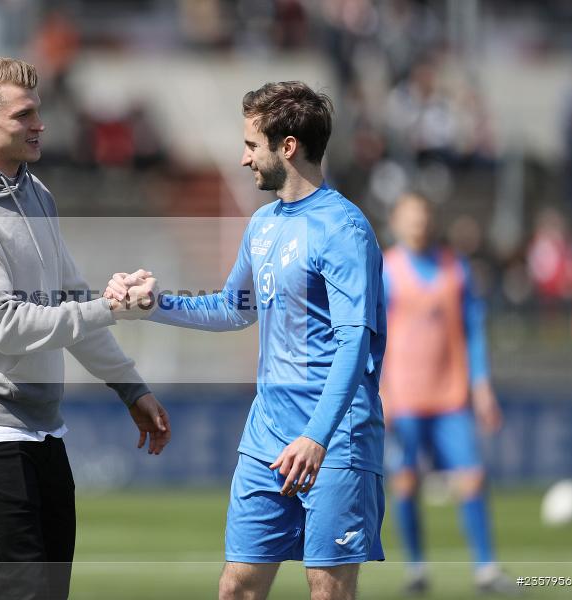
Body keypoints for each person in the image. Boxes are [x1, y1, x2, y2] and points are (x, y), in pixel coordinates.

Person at [107, 81, 385, 600]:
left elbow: (354, 343)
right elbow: (233, 309)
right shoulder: (261, 225)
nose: (243, 158)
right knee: (236, 588)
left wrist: (317, 437)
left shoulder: (343, 228)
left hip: (333, 439)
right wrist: (155, 303)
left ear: (288, 147)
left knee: (328, 590)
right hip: (266, 438)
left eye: (252, 145)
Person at [0, 56, 170, 600]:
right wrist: (112, 307)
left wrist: (130, 387)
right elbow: (6, 326)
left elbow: (71, 302)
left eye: (38, 111)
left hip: (42, 431)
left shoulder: (37, 194)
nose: (40, 124)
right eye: (24, 114)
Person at [382, 192, 516, 595]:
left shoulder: (455, 268)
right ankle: (416, 569)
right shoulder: (386, 269)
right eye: (410, 217)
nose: (418, 223)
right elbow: (374, 335)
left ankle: (486, 569)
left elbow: (473, 331)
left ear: (432, 220)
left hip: (450, 395)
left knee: (472, 478)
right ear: (396, 222)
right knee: (406, 482)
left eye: (423, 216)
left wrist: (482, 386)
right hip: (404, 396)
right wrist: (381, 391)